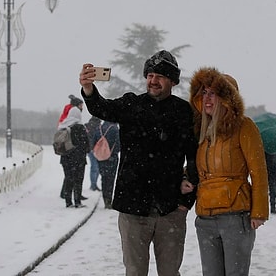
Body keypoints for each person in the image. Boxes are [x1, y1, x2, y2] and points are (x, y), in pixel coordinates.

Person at [79, 50, 198, 276]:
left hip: (170, 209)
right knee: (134, 272)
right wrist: (88, 89)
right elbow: (100, 107)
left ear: (172, 81)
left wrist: (185, 201)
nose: (153, 81)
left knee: (170, 273)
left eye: (160, 76)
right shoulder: (131, 104)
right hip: (133, 207)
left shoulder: (183, 112)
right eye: (150, 75)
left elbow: (194, 156)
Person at [188, 67, 269, 276]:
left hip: (235, 216)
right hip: (205, 218)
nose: (207, 98)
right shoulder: (202, 131)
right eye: (204, 92)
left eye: (213, 93)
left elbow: (258, 171)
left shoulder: (244, 126)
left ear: (227, 98)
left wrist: (259, 211)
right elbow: (198, 170)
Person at [58, 99, 90, 208]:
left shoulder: (63, 126)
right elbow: (86, 144)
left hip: (65, 158)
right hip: (78, 159)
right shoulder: (80, 127)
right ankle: (77, 201)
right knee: (78, 180)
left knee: (68, 178)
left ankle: (68, 201)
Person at [97, 120, 120, 209]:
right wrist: (113, 152)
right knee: (111, 179)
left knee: (104, 178)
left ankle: (105, 197)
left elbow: (94, 140)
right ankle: (109, 199)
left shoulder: (99, 128)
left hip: (101, 158)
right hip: (112, 158)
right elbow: (118, 144)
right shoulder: (114, 129)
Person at [84, 115, 102, 191]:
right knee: (96, 167)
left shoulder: (88, 125)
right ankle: (94, 185)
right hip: (96, 149)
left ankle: (93, 184)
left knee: (94, 167)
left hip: (89, 149)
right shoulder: (97, 126)